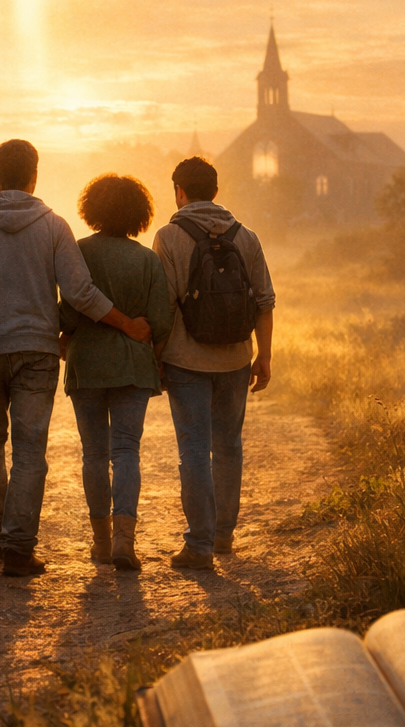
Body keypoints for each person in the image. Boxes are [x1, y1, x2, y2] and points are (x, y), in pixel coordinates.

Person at [0, 139, 152, 577]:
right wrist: (125, 323)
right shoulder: (53, 226)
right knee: (28, 451)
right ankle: (18, 546)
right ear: (34, 175)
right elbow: (79, 293)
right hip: (37, 352)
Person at [152, 157, 275, 570]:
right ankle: (224, 536)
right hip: (237, 359)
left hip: (187, 360)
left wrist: (159, 358)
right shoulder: (247, 237)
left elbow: (164, 305)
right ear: (216, 191)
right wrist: (265, 356)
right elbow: (265, 302)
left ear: (179, 191)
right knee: (229, 447)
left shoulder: (168, 237)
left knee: (193, 451)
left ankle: (199, 545)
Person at [59, 174, 172, 571]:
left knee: (94, 453)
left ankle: (101, 541)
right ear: (139, 214)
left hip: (86, 363)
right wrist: (155, 358)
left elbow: (71, 310)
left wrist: (67, 337)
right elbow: (160, 320)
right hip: (133, 367)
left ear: (92, 209)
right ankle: (126, 539)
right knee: (127, 451)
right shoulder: (147, 259)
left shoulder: (79, 251)